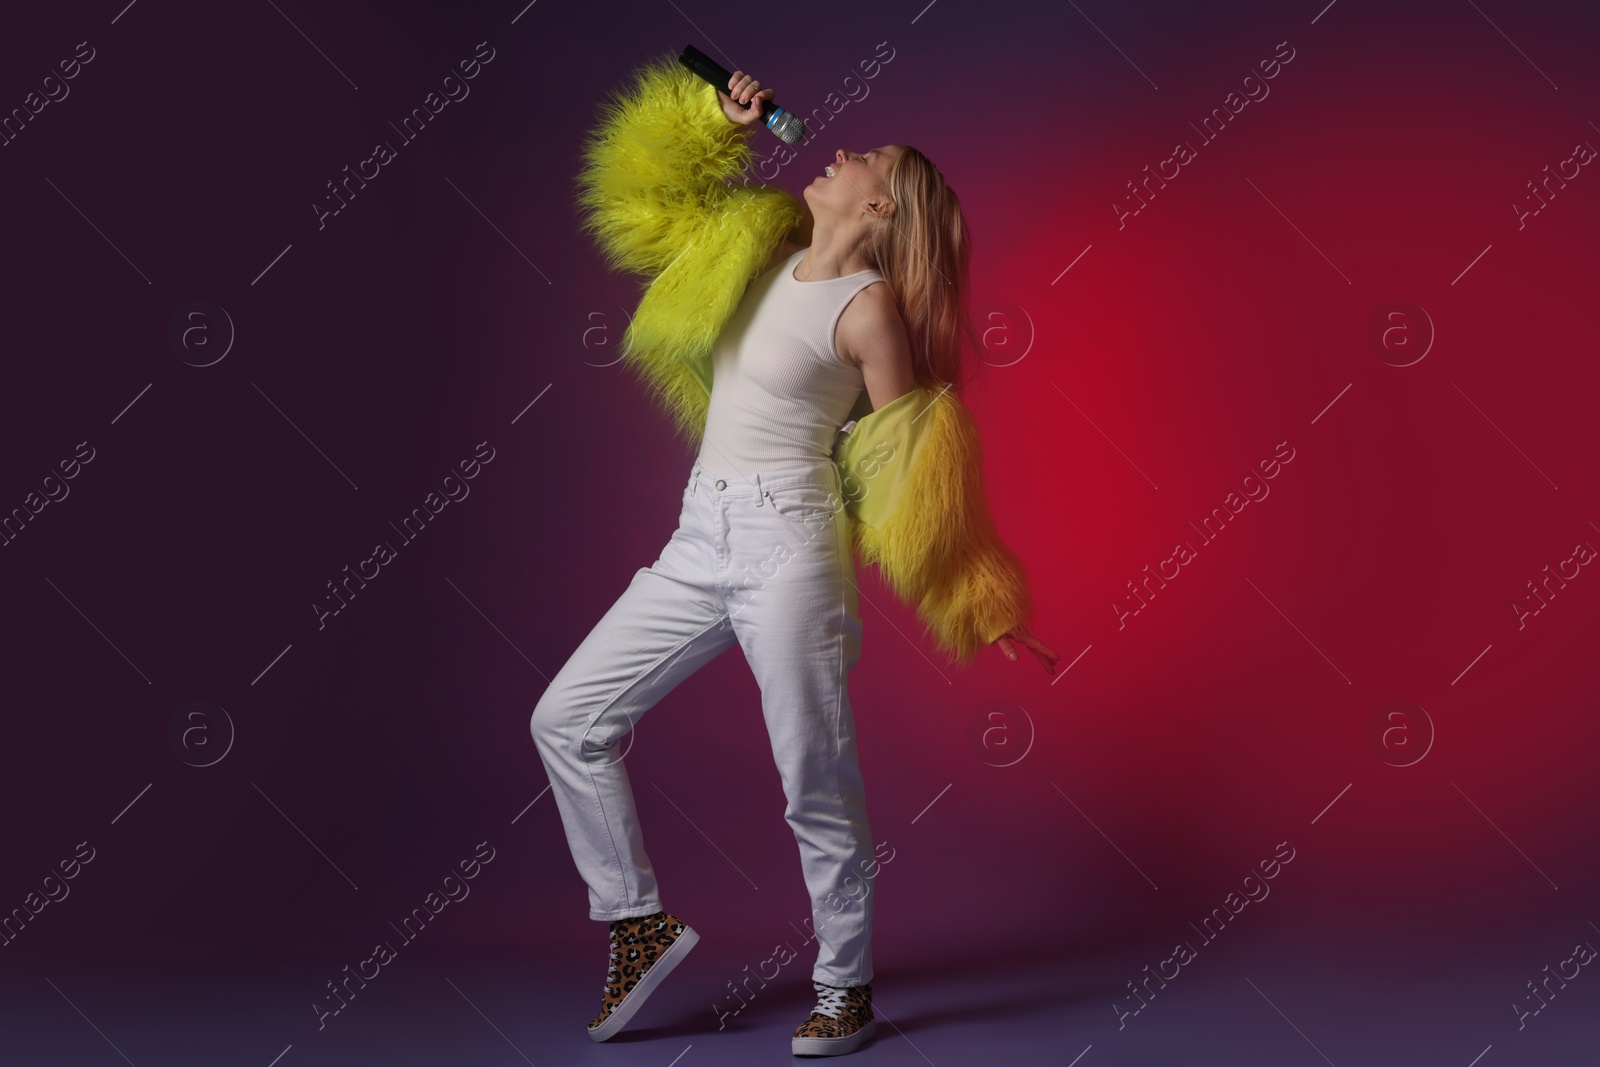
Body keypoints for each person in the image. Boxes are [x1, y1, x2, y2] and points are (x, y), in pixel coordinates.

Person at [533, 55, 1061, 1057]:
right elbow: (650, 204)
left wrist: (984, 603)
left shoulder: (867, 314)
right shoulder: (754, 238)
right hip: (700, 533)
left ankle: (844, 985)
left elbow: (911, 471)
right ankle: (635, 920)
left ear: (886, 208)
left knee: (812, 776)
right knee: (566, 716)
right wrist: (716, 124)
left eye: (871, 158)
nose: (844, 149)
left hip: (789, 544)